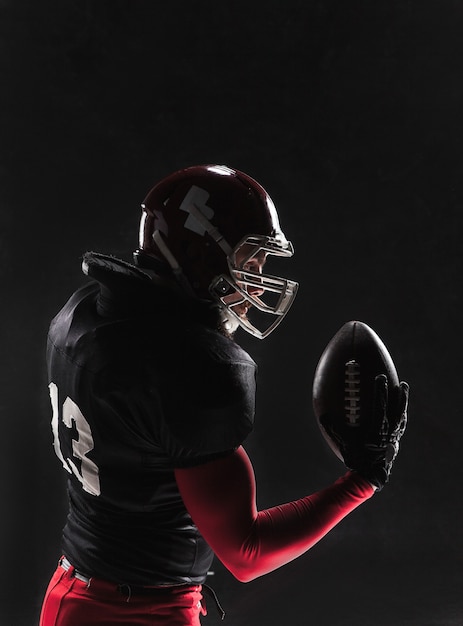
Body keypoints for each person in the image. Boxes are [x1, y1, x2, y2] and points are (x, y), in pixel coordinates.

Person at [39, 164, 409, 626]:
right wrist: (362, 481)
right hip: (139, 613)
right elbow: (246, 553)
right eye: (250, 261)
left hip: (72, 594)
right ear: (199, 254)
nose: (257, 279)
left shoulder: (81, 315)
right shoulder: (197, 368)